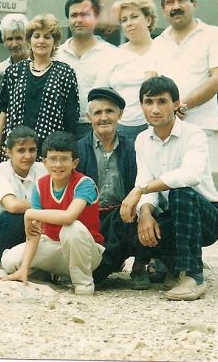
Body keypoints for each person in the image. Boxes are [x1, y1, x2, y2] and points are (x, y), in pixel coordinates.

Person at [120, 76, 218, 301]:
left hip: (207, 218)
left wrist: (140, 190)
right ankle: (171, 266)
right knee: (134, 216)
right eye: (148, 102)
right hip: (174, 216)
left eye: (162, 102)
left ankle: (194, 277)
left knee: (181, 192)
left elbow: (190, 175)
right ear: (141, 105)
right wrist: (145, 213)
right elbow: (144, 178)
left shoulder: (193, 134)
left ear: (176, 104)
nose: (155, 109)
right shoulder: (142, 139)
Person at [0, 131, 105, 296]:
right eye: (53, 159)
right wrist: (24, 267)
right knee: (9, 261)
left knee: (72, 228)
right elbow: (34, 233)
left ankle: (83, 283)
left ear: (74, 163)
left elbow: (68, 217)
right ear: (44, 162)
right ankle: (43, 273)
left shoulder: (85, 183)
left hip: (85, 252)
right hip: (54, 246)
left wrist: (30, 213)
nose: (58, 164)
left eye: (64, 159)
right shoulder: (40, 185)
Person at [76, 88, 150, 289]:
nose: (104, 117)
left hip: (123, 216)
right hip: (91, 218)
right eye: (98, 112)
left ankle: (140, 265)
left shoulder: (133, 148)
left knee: (148, 213)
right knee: (97, 276)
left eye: (109, 111)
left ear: (120, 114)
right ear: (88, 117)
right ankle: (112, 260)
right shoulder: (79, 149)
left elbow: (144, 183)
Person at [146, 0, 218, 143]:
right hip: (162, 127)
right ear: (163, 9)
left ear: (194, 4)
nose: (176, 6)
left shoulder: (212, 34)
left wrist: (182, 106)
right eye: (170, 2)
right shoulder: (158, 43)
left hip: (199, 127)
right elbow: (150, 82)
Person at [0, 14, 80, 163]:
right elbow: (3, 112)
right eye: (36, 36)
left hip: (49, 153)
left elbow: (70, 119)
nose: (41, 41)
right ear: (29, 41)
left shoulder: (65, 73)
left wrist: (65, 155)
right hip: (15, 150)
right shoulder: (14, 71)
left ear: (55, 42)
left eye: (47, 37)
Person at [0, 125, 47, 278]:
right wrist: (42, 206)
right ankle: (0, 264)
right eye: (21, 150)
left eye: (32, 150)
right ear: (8, 152)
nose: (28, 156)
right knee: (14, 217)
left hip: (33, 228)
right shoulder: (1, 170)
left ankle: (36, 267)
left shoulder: (42, 169)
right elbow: (12, 206)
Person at [57, 0, 118, 139]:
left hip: (99, 128)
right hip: (62, 128)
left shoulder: (112, 54)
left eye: (84, 15)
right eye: (74, 15)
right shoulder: (56, 54)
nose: (79, 20)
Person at [106, 0, 158, 143]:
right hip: (118, 130)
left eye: (134, 16)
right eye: (124, 20)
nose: (129, 23)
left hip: (152, 130)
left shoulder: (162, 49)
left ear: (148, 19)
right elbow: (100, 91)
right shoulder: (114, 54)